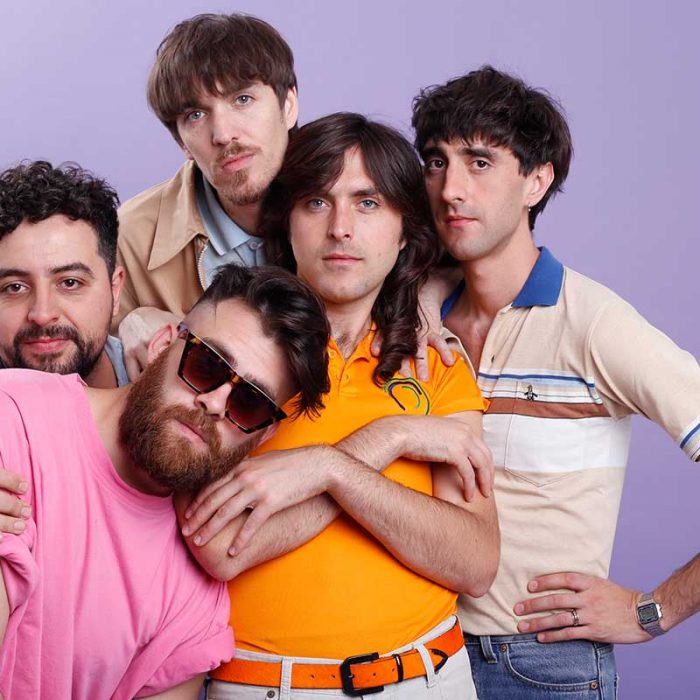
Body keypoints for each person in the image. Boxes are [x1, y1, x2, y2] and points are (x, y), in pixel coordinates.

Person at [178, 113, 499, 699]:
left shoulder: (435, 365)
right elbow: (220, 548)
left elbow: (475, 563)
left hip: (430, 679)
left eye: (368, 203)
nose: (341, 229)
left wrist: (329, 468)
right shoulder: (233, 350)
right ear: (288, 223)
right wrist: (383, 441)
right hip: (270, 686)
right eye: (317, 203)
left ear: (404, 233)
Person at [411, 65, 700, 698]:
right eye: (435, 162)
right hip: (421, 658)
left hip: (540, 667)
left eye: (480, 162)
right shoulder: (413, 319)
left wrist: (653, 611)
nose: (451, 189)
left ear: (537, 181)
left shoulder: (593, 322)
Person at [0, 264, 330, 699]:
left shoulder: (197, 603)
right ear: (160, 346)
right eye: (207, 364)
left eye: (250, 402)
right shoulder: (13, 416)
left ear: (263, 434)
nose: (214, 403)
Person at [116, 13, 299, 378]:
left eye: (242, 99)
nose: (223, 134)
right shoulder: (130, 236)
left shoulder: (351, 200)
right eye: (196, 114)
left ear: (288, 105)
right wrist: (128, 324)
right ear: (181, 142)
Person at [0, 160, 128, 388]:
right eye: (15, 287)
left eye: (70, 283)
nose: (42, 315)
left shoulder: (168, 387)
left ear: (115, 291)